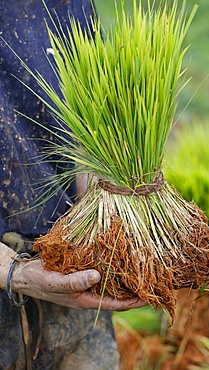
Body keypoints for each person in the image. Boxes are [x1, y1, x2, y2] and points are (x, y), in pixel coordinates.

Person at [0, 1, 146, 369]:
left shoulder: (71, 5)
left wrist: (110, 212)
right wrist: (14, 271)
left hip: (69, 279)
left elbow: (83, 131)